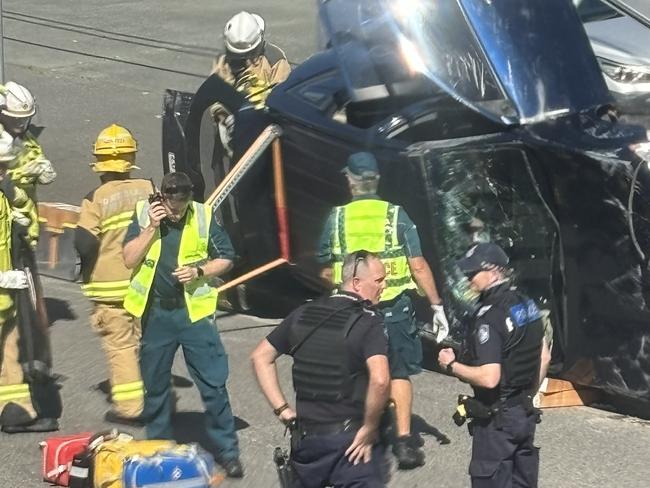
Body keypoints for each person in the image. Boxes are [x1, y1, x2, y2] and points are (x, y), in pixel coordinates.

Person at [318, 151, 448, 469]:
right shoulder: (396, 215)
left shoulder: (336, 218)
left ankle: (365, 433)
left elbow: (323, 269)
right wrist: (436, 306)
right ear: (376, 181)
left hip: (353, 311)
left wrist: (338, 286)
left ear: (351, 182)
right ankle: (404, 442)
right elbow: (417, 265)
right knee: (399, 372)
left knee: (360, 371)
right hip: (395, 310)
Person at [122, 171, 243, 478]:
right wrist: (152, 227)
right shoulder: (143, 214)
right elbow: (128, 258)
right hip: (157, 315)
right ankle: (159, 451)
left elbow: (227, 257)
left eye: (182, 205)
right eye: (172, 205)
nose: (177, 211)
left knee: (214, 384)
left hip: (193, 315)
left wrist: (199, 270)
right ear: (161, 197)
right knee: (156, 386)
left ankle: (227, 452)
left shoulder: (202, 215)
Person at [251, 250, 390, 487]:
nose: (384, 286)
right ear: (356, 283)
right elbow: (380, 380)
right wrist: (369, 427)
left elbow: (260, 357)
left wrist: (283, 410)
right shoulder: (369, 322)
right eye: (378, 280)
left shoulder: (303, 313)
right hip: (352, 444)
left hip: (307, 442)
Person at [437, 242, 551, 488]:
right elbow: (544, 357)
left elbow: (490, 377)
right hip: (524, 414)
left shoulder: (489, 316)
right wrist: (527, 394)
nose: (468, 280)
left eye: (473, 273)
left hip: (497, 420)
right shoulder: (528, 305)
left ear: (494, 271)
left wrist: (451, 366)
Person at [75, 124, 154, 425]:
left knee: (120, 346)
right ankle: (154, 397)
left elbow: (84, 243)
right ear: (131, 157)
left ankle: (131, 409)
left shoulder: (95, 197)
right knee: (144, 342)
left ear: (99, 162)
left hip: (109, 288)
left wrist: (85, 269)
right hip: (143, 282)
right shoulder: (148, 188)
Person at [0, 130, 59, 433]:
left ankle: (16, 410)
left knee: (10, 348)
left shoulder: (4, 191)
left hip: (6, 292)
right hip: (4, 286)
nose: (5, 171)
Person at [0, 81, 56, 246]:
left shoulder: (27, 139)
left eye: (25, 119)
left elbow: (36, 157)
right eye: (16, 120)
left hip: (26, 221)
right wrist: (22, 174)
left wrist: (43, 170)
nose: (20, 125)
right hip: (8, 216)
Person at [211, 11, 291, 107]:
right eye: (235, 55)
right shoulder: (222, 61)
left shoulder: (274, 60)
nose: (242, 61)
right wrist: (226, 85)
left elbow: (282, 99)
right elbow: (210, 94)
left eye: (247, 55)